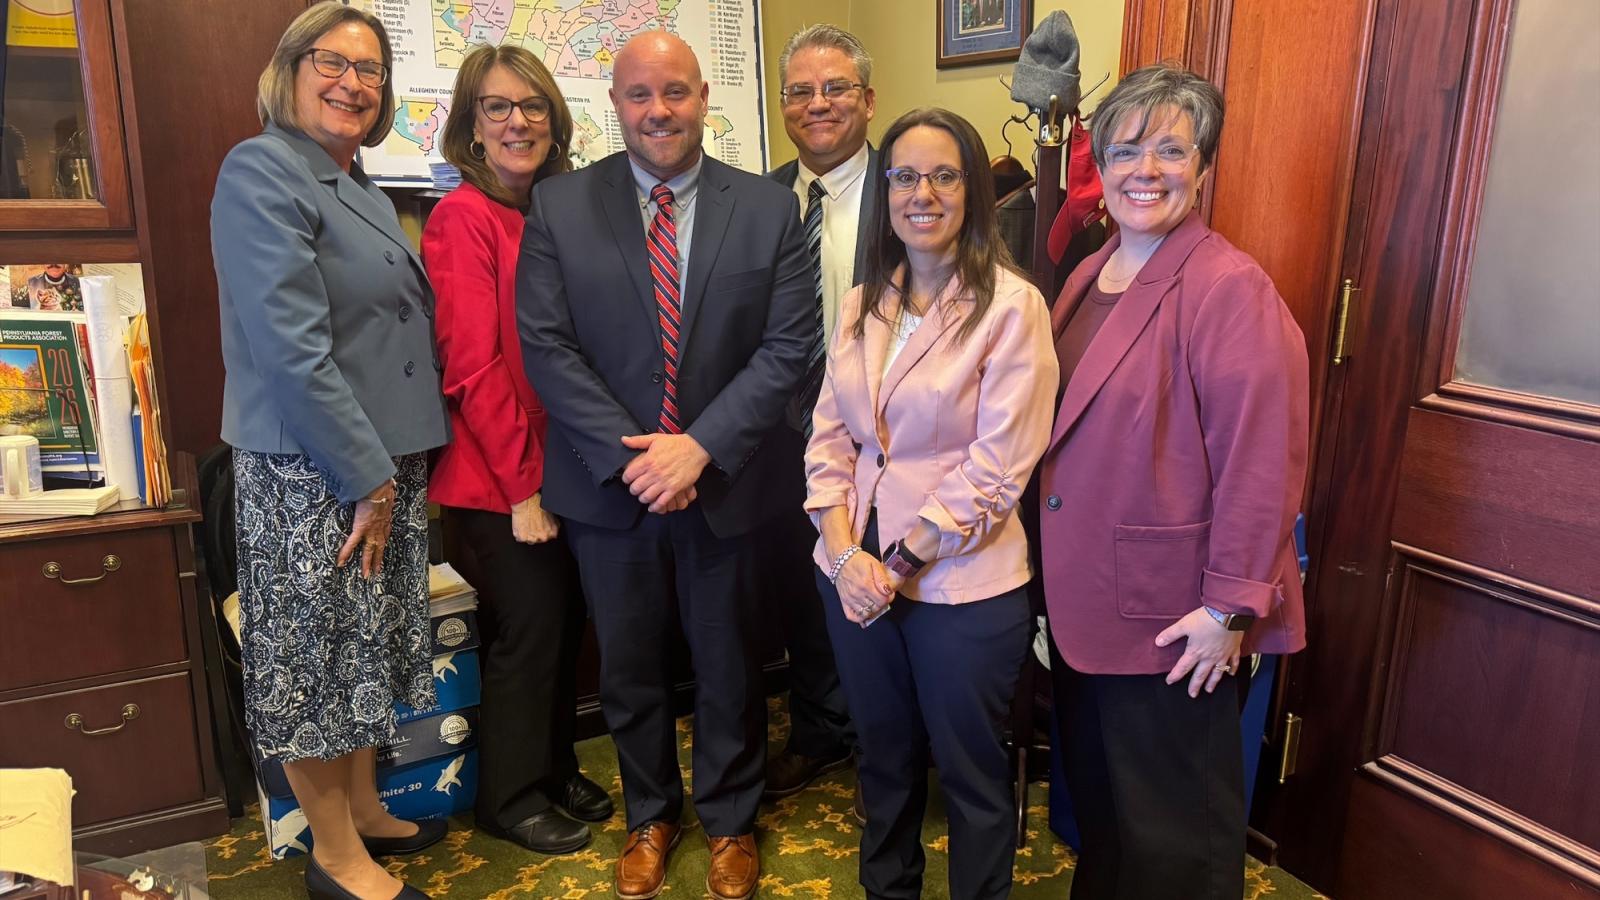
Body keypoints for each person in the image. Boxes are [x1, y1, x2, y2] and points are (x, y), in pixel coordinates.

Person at [515, 30, 812, 900]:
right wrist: (637, 460)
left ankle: (729, 821)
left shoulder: (766, 208)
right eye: (640, 95)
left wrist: (700, 447)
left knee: (729, 664)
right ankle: (651, 815)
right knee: (630, 666)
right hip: (614, 491)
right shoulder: (560, 205)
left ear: (703, 98)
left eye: (675, 92)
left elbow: (787, 347)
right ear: (615, 103)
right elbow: (547, 345)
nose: (659, 111)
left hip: (725, 482)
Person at [1036, 62, 1310, 900]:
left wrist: (1230, 607)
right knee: (1111, 818)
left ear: (1204, 168)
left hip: (1175, 622)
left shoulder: (1230, 288)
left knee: (1177, 841)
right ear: (1102, 167)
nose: (1144, 170)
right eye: (1124, 151)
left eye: (1170, 150)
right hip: (1090, 609)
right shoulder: (1093, 273)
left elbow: (1264, 461)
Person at [210, 4, 449, 898]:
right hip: (317, 468)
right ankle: (335, 855)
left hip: (377, 462)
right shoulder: (262, 170)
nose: (353, 81)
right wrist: (368, 478)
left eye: (371, 70)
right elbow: (291, 349)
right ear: (289, 69)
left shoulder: (350, 179)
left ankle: (363, 809)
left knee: (362, 649)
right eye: (332, 61)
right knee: (315, 663)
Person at [804, 107, 1059, 900]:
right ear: (887, 191)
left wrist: (899, 559)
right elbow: (829, 442)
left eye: (944, 175)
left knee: (972, 775)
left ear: (972, 191)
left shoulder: (1012, 308)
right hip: (853, 574)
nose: (923, 192)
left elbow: (998, 467)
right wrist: (846, 556)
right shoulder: (862, 306)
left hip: (961, 587)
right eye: (906, 175)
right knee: (881, 762)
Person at [421, 43, 613, 856]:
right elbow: (472, 367)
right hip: (498, 483)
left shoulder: (559, 209)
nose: (517, 121)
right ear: (471, 124)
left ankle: (552, 764)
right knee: (529, 633)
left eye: (532, 105)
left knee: (564, 627)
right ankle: (508, 796)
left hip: (566, 470)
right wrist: (523, 491)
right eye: (497, 107)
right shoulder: (463, 218)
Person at [761, 23, 882, 807]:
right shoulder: (759, 199)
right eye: (801, 91)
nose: (818, 104)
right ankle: (817, 732)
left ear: (869, 100)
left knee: (875, 590)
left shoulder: (911, 189)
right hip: (777, 440)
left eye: (835, 87)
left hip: (881, 445)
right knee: (801, 595)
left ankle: (884, 746)